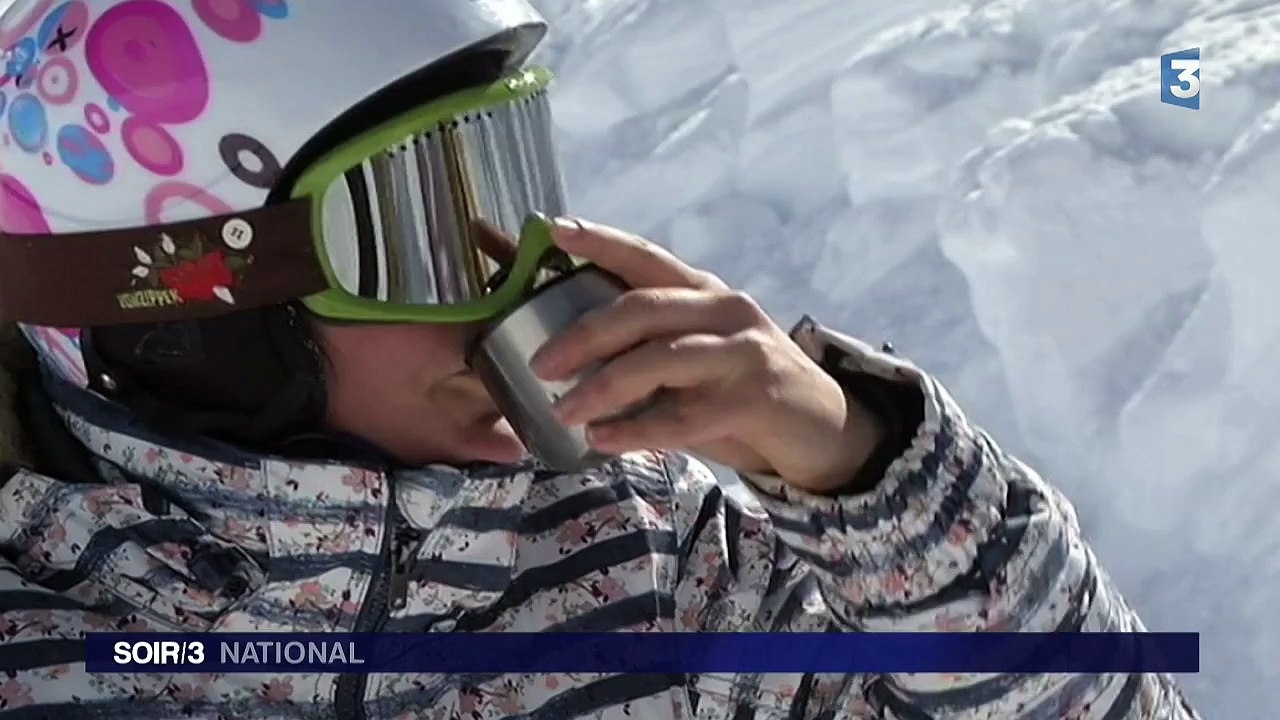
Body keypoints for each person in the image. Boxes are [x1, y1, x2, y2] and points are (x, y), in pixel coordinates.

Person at [0, 1, 1200, 718]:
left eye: (513, 191)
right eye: (425, 226)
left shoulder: (638, 562)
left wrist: (861, 473)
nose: (518, 284)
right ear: (192, 325)